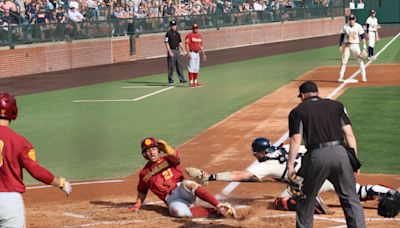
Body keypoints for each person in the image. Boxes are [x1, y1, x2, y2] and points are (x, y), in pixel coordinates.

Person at [185, 137, 393, 214]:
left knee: (281, 200)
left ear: (260, 152)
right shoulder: (285, 147)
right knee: (358, 191)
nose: (255, 155)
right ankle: (391, 192)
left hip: (308, 184)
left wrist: (211, 176)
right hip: (327, 172)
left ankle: (311, 201)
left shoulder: (265, 165)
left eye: (255, 152)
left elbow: (240, 174)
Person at [287, 81, 366, 228]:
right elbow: (349, 135)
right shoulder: (337, 105)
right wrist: (354, 161)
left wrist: (290, 166)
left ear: (303, 95)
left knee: (306, 199)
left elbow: (296, 139)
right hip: (341, 155)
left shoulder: (298, 111)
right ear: (317, 92)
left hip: (317, 157)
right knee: (350, 198)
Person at [0, 92, 72, 227]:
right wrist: (61, 183)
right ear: (13, 112)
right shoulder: (20, 142)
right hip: (9, 202)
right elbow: (36, 172)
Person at [129, 137, 236, 218]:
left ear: (158, 150)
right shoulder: (144, 173)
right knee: (179, 213)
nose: (151, 152)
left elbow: (176, 157)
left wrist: (168, 149)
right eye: (147, 151)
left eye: (153, 149)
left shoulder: (168, 158)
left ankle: (219, 205)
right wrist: (137, 205)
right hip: (172, 199)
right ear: (144, 155)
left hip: (182, 189)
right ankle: (218, 212)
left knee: (189, 184)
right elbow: (142, 191)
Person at [338, 14, 367, 83]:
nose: (351, 20)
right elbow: (342, 36)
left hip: (355, 46)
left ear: (355, 19)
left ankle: (364, 77)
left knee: (360, 61)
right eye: (350, 19)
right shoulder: (345, 26)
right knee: (343, 61)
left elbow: (363, 37)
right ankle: (340, 77)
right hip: (347, 46)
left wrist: (364, 47)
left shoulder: (358, 26)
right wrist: (340, 46)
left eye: (352, 19)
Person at [165, 20, 187, 85]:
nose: (174, 27)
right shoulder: (168, 33)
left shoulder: (178, 34)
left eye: (174, 25)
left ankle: (182, 80)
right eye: (172, 25)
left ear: (176, 26)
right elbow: (166, 43)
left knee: (179, 66)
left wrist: (183, 50)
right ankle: (170, 80)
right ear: (171, 26)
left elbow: (180, 42)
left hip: (178, 51)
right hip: (172, 50)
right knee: (171, 66)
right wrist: (169, 51)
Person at [185, 23, 207, 88]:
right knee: (191, 68)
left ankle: (196, 82)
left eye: (196, 28)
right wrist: (188, 53)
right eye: (194, 28)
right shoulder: (189, 35)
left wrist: (203, 54)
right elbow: (186, 44)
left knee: (196, 68)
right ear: (192, 29)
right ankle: (191, 83)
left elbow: (201, 45)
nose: (196, 29)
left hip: (197, 53)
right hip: (192, 53)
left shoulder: (199, 36)